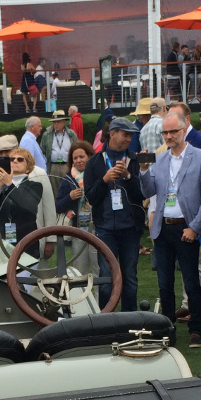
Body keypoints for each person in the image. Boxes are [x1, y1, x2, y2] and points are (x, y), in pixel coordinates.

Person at [140, 109, 201, 348]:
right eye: (165, 132)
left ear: (185, 130)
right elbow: (148, 192)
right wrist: (143, 170)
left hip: (187, 228)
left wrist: (194, 228)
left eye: (173, 131)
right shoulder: (160, 158)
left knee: (191, 282)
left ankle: (196, 330)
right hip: (163, 229)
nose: (169, 136)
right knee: (165, 285)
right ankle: (168, 330)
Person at [83, 119, 144, 312]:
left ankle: (129, 320)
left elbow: (143, 193)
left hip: (130, 230)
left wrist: (127, 176)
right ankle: (107, 321)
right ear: (112, 134)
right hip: (105, 229)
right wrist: (104, 180)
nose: (129, 139)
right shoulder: (93, 162)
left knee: (130, 277)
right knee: (107, 279)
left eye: (131, 135)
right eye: (125, 134)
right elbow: (90, 198)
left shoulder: (134, 160)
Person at [0, 147, 48, 257]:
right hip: (3, 241)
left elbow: (27, 204)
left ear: (28, 168)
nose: (15, 161)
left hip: (26, 242)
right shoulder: (2, 185)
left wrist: (9, 184)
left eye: (20, 159)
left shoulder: (35, 185)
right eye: (12, 159)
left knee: (24, 274)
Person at [55, 140, 94, 229]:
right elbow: (58, 207)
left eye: (81, 157)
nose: (78, 161)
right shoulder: (68, 179)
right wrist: (70, 197)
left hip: (97, 225)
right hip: (76, 228)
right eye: (75, 158)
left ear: (89, 156)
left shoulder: (96, 176)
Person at [39, 110, 78, 178]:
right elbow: (42, 151)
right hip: (53, 167)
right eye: (54, 122)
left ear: (63, 122)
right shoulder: (47, 135)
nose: (56, 124)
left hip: (67, 166)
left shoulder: (71, 134)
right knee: (54, 188)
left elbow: (77, 149)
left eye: (58, 122)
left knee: (69, 187)